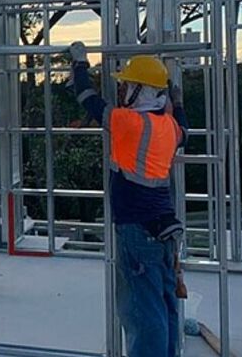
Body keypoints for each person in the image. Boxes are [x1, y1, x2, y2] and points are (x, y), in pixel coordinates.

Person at [68, 42, 187, 357]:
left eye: (127, 85)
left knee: (142, 314)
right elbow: (184, 125)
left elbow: (88, 100)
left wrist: (80, 64)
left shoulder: (129, 123)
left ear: (140, 91)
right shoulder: (170, 127)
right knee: (164, 305)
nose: (121, 90)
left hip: (138, 231)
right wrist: (175, 97)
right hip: (161, 228)